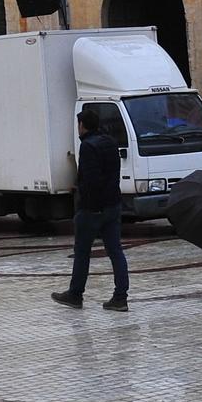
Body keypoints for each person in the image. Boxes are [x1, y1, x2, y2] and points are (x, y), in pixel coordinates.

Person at [53, 110, 130, 312]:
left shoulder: (87, 146)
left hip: (93, 209)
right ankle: (120, 297)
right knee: (116, 251)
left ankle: (75, 294)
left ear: (82, 125)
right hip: (113, 204)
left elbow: (92, 180)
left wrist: (85, 202)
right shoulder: (111, 142)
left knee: (82, 252)